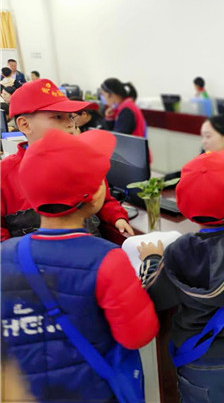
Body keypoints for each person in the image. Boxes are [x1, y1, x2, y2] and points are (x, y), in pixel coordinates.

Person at [1, 128, 159, 402]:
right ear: (94, 195)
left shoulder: (5, 255)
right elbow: (138, 335)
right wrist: (150, 267)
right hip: (94, 390)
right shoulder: (108, 259)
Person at [137, 149, 224, 403]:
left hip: (203, 364)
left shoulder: (178, 252)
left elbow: (152, 296)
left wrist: (152, 260)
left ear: (184, 207)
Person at [1, 78, 134, 241]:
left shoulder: (83, 161)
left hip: (88, 249)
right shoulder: (4, 174)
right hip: (32, 256)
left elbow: (105, 200)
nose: (70, 124)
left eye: (70, 116)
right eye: (58, 117)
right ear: (25, 125)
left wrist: (117, 217)